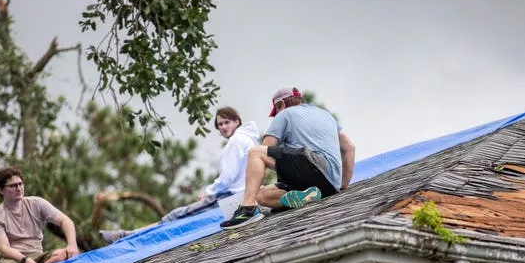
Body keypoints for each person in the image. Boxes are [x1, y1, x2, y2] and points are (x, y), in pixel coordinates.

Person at [100, 107, 260, 244]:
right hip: (242, 194)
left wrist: (208, 192)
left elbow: (227, 177)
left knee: (177, 217)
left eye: (227, 122)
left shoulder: (236, 141)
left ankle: (128, 236)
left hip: (228, 196)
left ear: (237, 121)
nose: (223, 127)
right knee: (179, 217)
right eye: (220, 124)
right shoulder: (248, 139)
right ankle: (130, 234)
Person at [220, 86, 355, 230]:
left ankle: (247, 211)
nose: (276, 114)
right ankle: (302, 198)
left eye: (276, 110)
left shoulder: (285, 114)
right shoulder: (325, 115)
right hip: (328, 186)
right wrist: (342, 185)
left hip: (311, 167)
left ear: (281, 105)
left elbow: (265, 149)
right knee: (261, 196)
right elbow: (349, 147)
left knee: (255, 153)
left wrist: (253, 181)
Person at [0, 167, 79, 263]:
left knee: (64, 255)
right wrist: (25, 260)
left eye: (20, 184)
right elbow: (4, 248)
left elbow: (66, 221)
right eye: (13, 186)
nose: (19, 188)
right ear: (1, 190)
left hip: (37, 255)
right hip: (12, 260)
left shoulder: (36, 203)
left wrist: (72, 245)